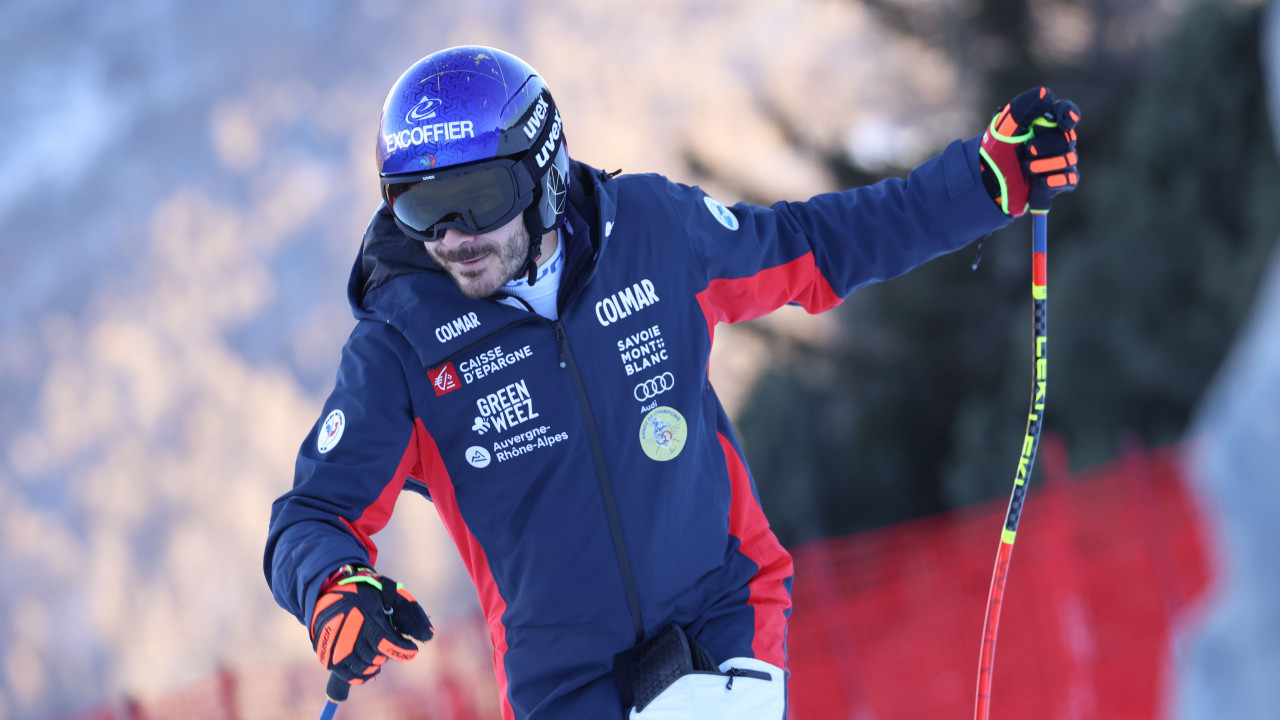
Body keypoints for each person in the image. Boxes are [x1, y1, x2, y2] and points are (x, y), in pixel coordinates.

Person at [264, 45, 1080, 720]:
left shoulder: (654, 233)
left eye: (477, 198)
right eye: (418, 208)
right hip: (562, 686)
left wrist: (983, 183)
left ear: (540, 171)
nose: (451, 237)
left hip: (721, 614)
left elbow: (817, 247)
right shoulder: (401, 347)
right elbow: (312, 513)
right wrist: (333, 585)